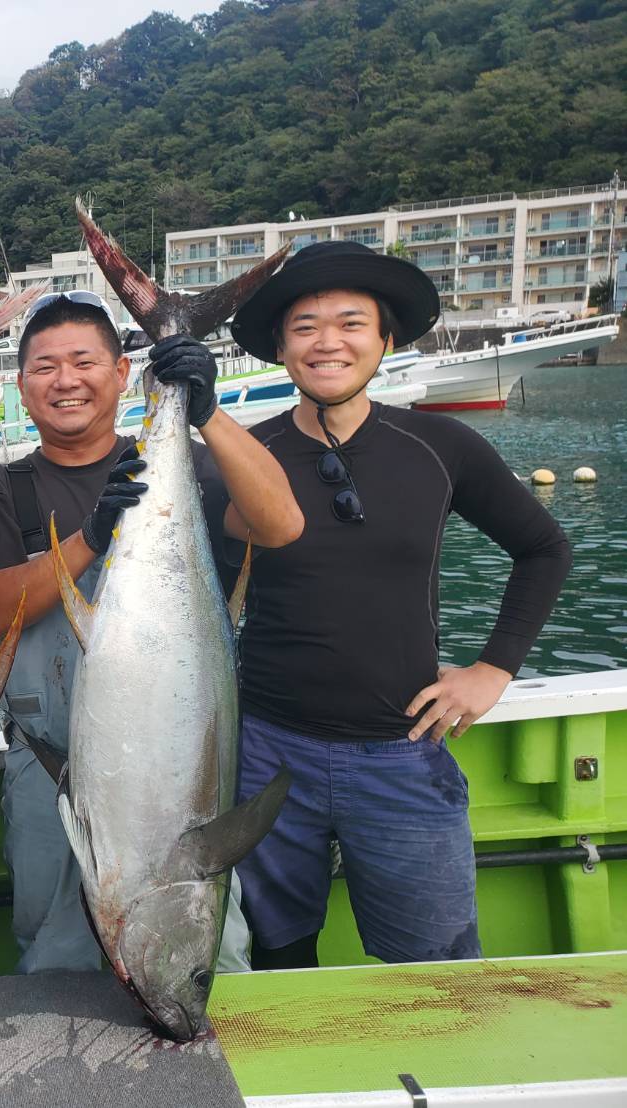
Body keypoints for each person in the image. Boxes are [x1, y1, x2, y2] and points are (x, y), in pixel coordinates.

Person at [224, 241, 572, 969]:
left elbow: (542, 548)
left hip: (401, 752)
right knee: (275, 957)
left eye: (351, 322)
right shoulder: (240, 455)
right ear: (280, 350)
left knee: (434, 966)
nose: (327, 342)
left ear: (384, 340)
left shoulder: (438, 445)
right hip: (263, 749)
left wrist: (493, 668)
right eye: (305, 326)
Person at [0, 292, 304, 975]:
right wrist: (90, 540)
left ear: (122, 373)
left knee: (202, 943)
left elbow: (280, 525)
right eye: (45, 366)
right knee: (55, 960)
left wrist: (201, 409)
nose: (65, 380)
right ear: (22, 385)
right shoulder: (3, 489)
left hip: (178, 767)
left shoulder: (191, 469)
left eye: (83, 361)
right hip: (51, 774)